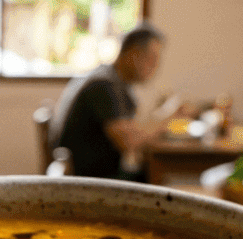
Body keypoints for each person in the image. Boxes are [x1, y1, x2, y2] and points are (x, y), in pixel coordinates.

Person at [48, 23, 181, 181]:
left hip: (94, 175)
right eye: (151, 58)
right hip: (91, 181)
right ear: (132, 53)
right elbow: (129, 142)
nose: (155, 66)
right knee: (157, 177)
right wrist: (169, 118)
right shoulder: (105, 86)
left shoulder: (112, 80)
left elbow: (132, 129)